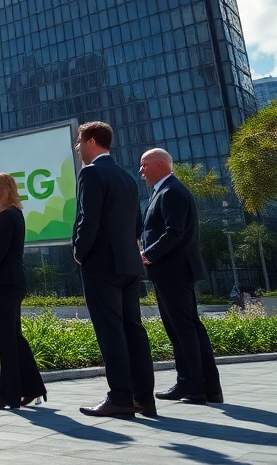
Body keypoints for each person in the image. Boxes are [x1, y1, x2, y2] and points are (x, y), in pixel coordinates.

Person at [72, 121, 156, 418]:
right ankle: (144, 398)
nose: (77, 147)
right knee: (133, 329)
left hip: (101, 265)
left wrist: (79, 252)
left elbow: (88, 220)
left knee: (111, 332)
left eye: (79, 141)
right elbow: (137, 224)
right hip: (129, 264)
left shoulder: (91, 173)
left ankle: (120, 397)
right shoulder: (127, 177)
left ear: (91, 141)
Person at [138, 148, 223, 404]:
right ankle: (198, 385)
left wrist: (147, 254)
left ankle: (196, 388)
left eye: (144, 165)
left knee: (184, 329)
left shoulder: (171, 191)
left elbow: (173, 233)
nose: (141, 171)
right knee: (183, 329)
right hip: (170, 271)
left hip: (173, 271)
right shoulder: (164, 191)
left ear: (159, 165)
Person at [0, 174, 47, 410]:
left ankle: (8, 396)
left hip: (6, 282)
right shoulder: (12, 214)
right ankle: (33, 387)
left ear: (4, 189)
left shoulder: (7, 215)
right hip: (12, 282)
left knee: (6, 338)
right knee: (13, 337)